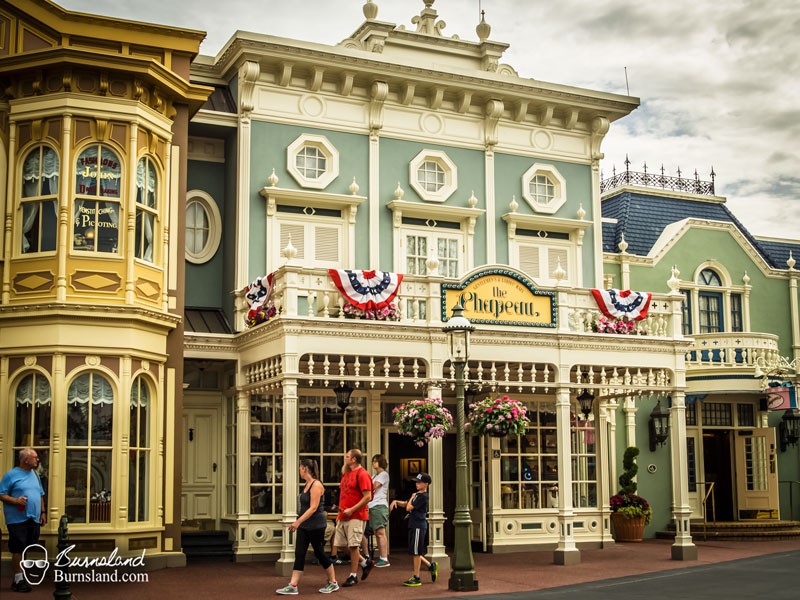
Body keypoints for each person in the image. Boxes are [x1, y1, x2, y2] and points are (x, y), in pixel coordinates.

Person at [276, 459, 339, 595]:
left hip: (316, 525)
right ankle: (293, 585)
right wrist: (298, 521)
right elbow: (304, 507)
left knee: (319, 553)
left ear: (304, 468)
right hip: (305, 525)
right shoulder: (306, 484)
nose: (299, 470)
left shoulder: (316, 485)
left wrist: (297, 522)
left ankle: (333, 582)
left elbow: (313, 508)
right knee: (299, 553)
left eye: (300, 468)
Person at [0, 448, 47, 593]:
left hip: (33, 517)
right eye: (35, 457)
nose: (37, 460)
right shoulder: (11, 475)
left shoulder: (35, 474)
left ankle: (18, 578)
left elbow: (40, 494)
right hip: (17, 519)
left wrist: (43, 512)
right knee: (18, 547)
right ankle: (20, 579)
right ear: (26, 459)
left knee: (26, 547)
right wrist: (15, 500)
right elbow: (1, 494)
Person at [332, 449, 374, 587]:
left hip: (356, 515)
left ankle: (353, 575)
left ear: (354, 459)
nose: (345, 458)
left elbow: (368, 496)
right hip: (343, 515)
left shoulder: (362, 474)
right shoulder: (347, 473)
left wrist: (352, 509)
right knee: (342, 544)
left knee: (353, 545)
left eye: (347, 457)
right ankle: (364, 563)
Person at [389, 472, 438, 587]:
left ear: (426, 484)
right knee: (414, 551)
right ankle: (431, 566)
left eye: (420, 482)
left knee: (416, 552)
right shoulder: (417, 495)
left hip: (418, 526)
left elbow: (409, 507)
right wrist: (396, 501)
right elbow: (405, 503)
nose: (417, 484)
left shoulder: (422, 496)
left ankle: (417, 577)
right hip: (413, 525)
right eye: (417, 482)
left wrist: (411, 497)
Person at [363, 454, 390, 568]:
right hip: (372, 506)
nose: (373, 463)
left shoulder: (383, 474)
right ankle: (380, 556)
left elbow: (374, 487)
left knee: (380, 532)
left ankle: (384, 557)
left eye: (375, 461)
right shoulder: (374, 475)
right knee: (376, 532)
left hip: (379, 506)